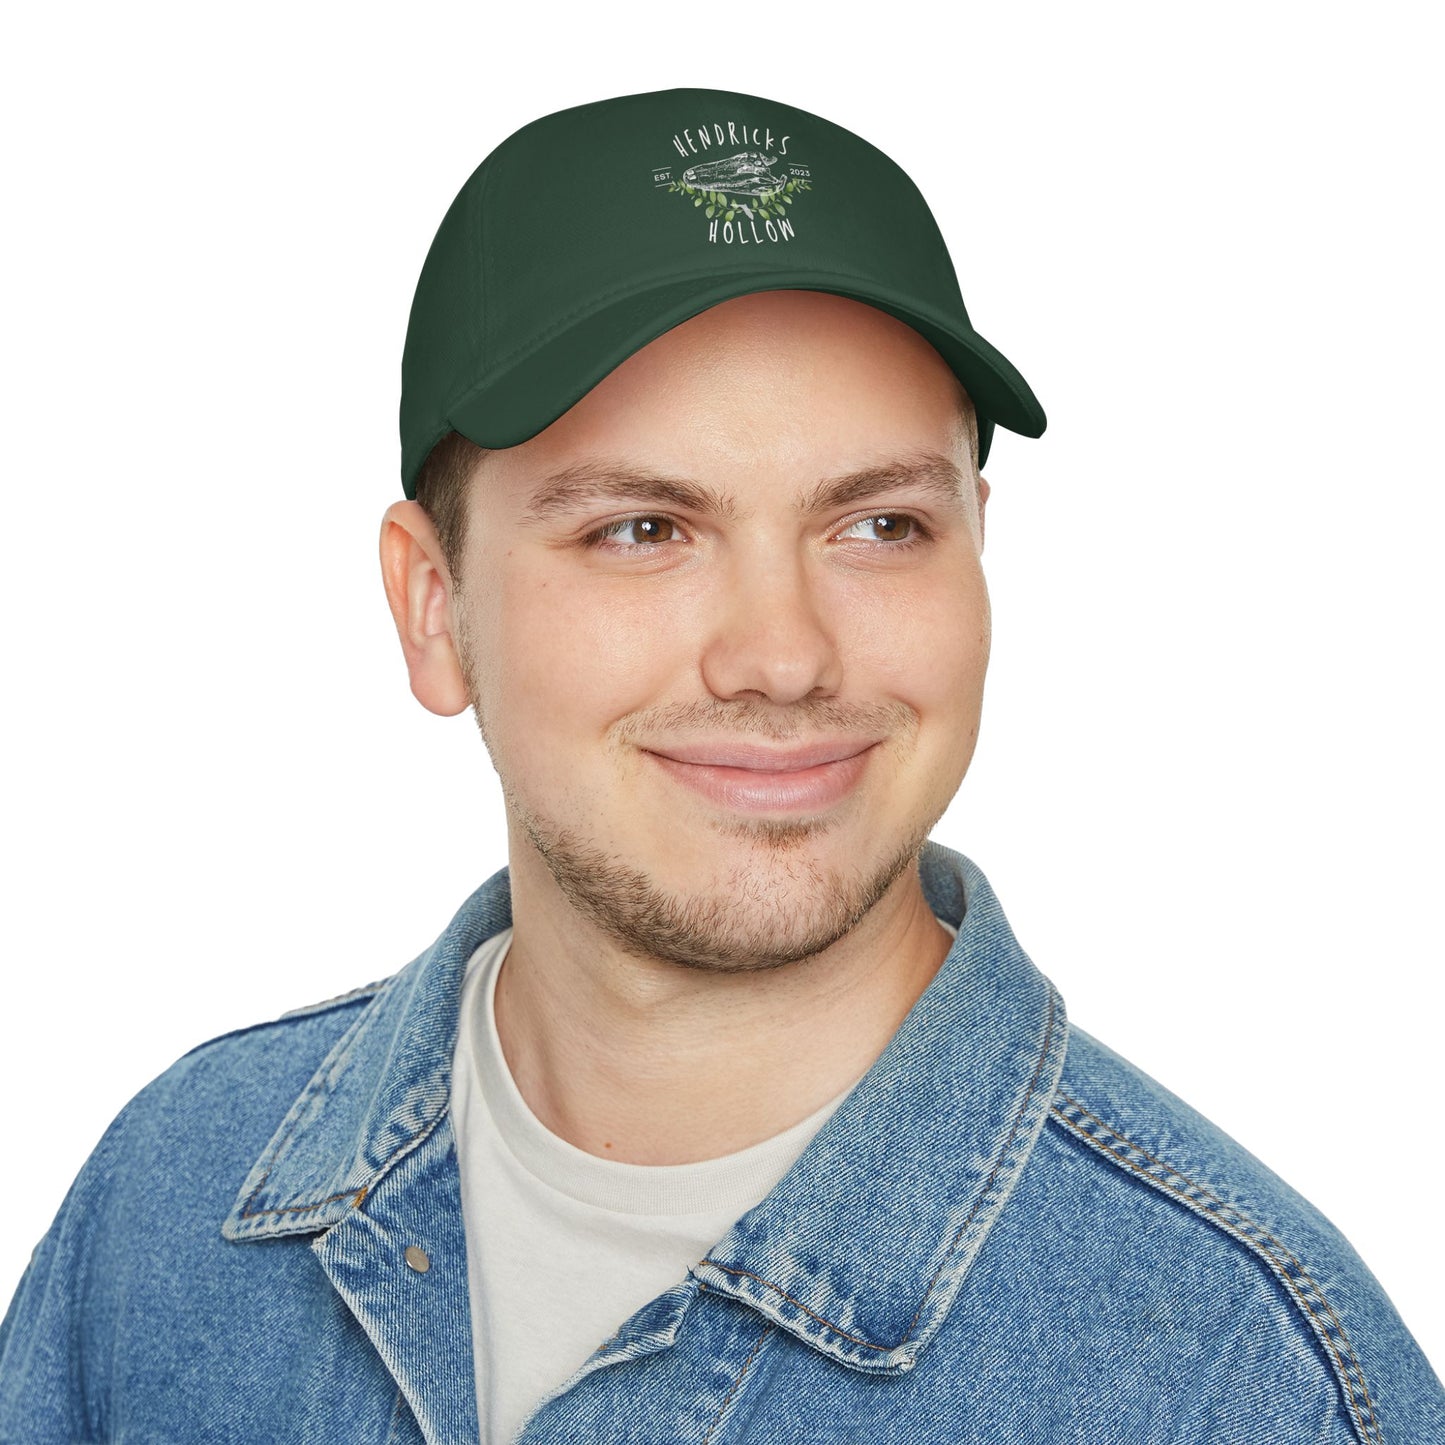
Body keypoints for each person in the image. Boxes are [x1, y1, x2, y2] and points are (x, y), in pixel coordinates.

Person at [0, 84, 1439, 1445]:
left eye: (879, 526)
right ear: (433, 608)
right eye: (642, 529)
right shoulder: (169, 1205)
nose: (783, 656)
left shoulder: (1240, 1375)